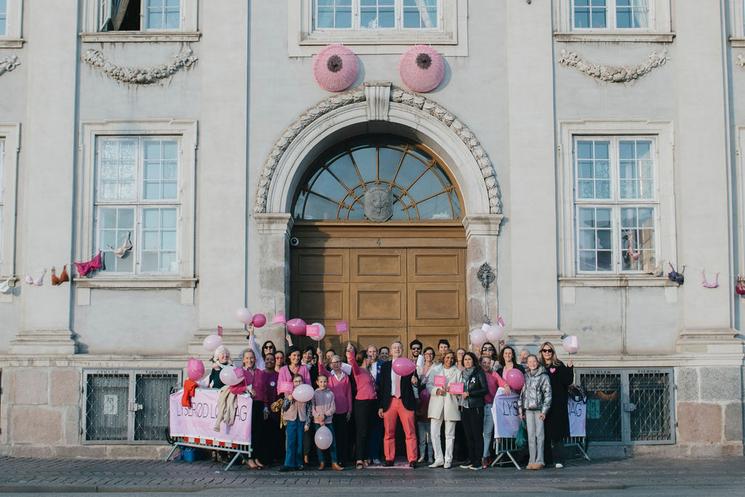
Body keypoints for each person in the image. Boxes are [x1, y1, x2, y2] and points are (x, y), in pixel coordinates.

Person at [377, 341, 419, 467]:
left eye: (399, 347)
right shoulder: (385, 366)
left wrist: (415, 381)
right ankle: (389, 458)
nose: (397, 349)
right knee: (389, 432)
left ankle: (412, 459)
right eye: (394, 347)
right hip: (389, 401)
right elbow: (382, 386)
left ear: (402, 349)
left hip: (405, 402)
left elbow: (416, 383)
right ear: (391, 351)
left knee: (410, 432)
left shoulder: (410, 364)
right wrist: (380, 406)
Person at [539, 341, 574, 469]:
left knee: (558, 433)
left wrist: (570, 368)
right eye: (545, 350)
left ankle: (559, 459)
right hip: (543, 404)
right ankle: (547, 460)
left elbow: (567, 381)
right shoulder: (539, 366)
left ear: (553, 352)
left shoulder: (558, 365)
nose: (547, 353)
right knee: (545, 433)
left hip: (558, 403)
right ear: (541, 352)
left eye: (549, 350)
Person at [317, 347, 352, 467]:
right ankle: (328, 460)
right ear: (330, 364)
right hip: (330, 411)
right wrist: (320, 357)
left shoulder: (346, 377)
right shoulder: (329, 376)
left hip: (343, 410)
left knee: (342, 436)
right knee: (331, 436)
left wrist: (350, 410)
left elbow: (349, 394)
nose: (336, 364)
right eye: (333, 362)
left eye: (338, 362)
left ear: (341, 364)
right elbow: (321, 369)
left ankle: (341, 459)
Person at [427, 350, 461, 469]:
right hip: (437, 403)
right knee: (434, 433)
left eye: (452, 358)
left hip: (451, 404)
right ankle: (438, 458)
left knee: (449, 434)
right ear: (443, 358)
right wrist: (436, 390)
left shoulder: (457, 371)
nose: (449, 360)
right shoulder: (436, 369)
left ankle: (448, 459)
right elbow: (429, 384)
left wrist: (451, 388)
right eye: (447, 357)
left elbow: (461, 388)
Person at [346, 344, 378, 469]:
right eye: (369, 357)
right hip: (361, 403)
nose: (371, 359)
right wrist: (350, 352)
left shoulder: (369, 372)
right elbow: (353, 362)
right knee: (361, 432)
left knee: (369, 431)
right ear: (365, 358)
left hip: (372, 403)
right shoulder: (358, 370)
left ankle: (365, 456)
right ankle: (359, 458)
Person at [519, 354, 552, 470]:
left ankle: (540, 460)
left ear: (537, 362)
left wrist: (544, 411)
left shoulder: (544, 377)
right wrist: (520, 409)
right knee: (531, 436)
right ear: (527, 363)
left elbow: (548, 395)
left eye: (534, 361)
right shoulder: (525, 376)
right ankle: (532, 460)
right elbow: (522, 394)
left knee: (540, 435)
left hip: (539, 410)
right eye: (530, 361)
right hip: (528, 410)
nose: (532, 363)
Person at [459, 352, 488, 470]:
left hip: (475, 407)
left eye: (469, 359)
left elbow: (484, 390)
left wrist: (470, 393)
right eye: (465, 360)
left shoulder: (479, 372)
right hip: (464, 407)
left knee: (477, 435)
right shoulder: (461, 373)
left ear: (473, 361)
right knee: (468, 435)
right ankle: (471, 459)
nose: (467, 361)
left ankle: (478, 461)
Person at [280, 374, 312, 472]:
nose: (298, 383)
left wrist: (308, 423)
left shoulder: (306, 393)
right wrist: (288, 400)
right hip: (291, 419)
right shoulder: (288, 393)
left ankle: (299, 463)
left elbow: (309, 410)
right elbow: (283, 408)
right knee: (290, 442)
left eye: (300, 381)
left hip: (301, 419)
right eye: (296, 381)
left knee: (300, 442)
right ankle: (289, 463)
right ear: (293, 383)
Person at [312, 375, 343, 471]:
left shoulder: (330, 393)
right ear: (317, 382)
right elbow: (312, 408)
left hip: (328, 421)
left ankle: (334, 462)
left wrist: (325, 415)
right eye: (321, 381)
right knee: (319, 443)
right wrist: (318, 416)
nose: (323, 383)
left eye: (325, 381)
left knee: (332, 443)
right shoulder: (314, 393)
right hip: (317, 422)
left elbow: (333, 408)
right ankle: (322, 462)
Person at [416, 346, 435, 464]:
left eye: (431, 353)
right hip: (420, 401)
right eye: (427, 354)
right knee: (422, 434)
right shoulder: (419, 368)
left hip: (432, 400)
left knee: (432, 435)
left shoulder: (437, 367)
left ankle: (431, 456)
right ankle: (422, 455)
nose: (429, 355)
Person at [262, 352, 282, 465]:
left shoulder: (278, 375)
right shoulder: (260, 374)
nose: (269, 361)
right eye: (267, 359)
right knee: (264, 433)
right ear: (264, 361)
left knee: (274, 434)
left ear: (275, 361)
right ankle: (265, 458)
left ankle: (275, 457)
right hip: (263, 409)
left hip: (275, 410)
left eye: (272, 359)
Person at [480, 355, 498, 466]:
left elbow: (502, 382)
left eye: (488, 362)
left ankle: (484, 456)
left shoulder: (494, 374)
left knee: (487, 433)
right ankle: (478, 455)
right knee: (478, 434)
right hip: (478, 407)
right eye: (484, 362)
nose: (486, 365)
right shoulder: (477, 374)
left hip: (490, 406)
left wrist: (505, 385)